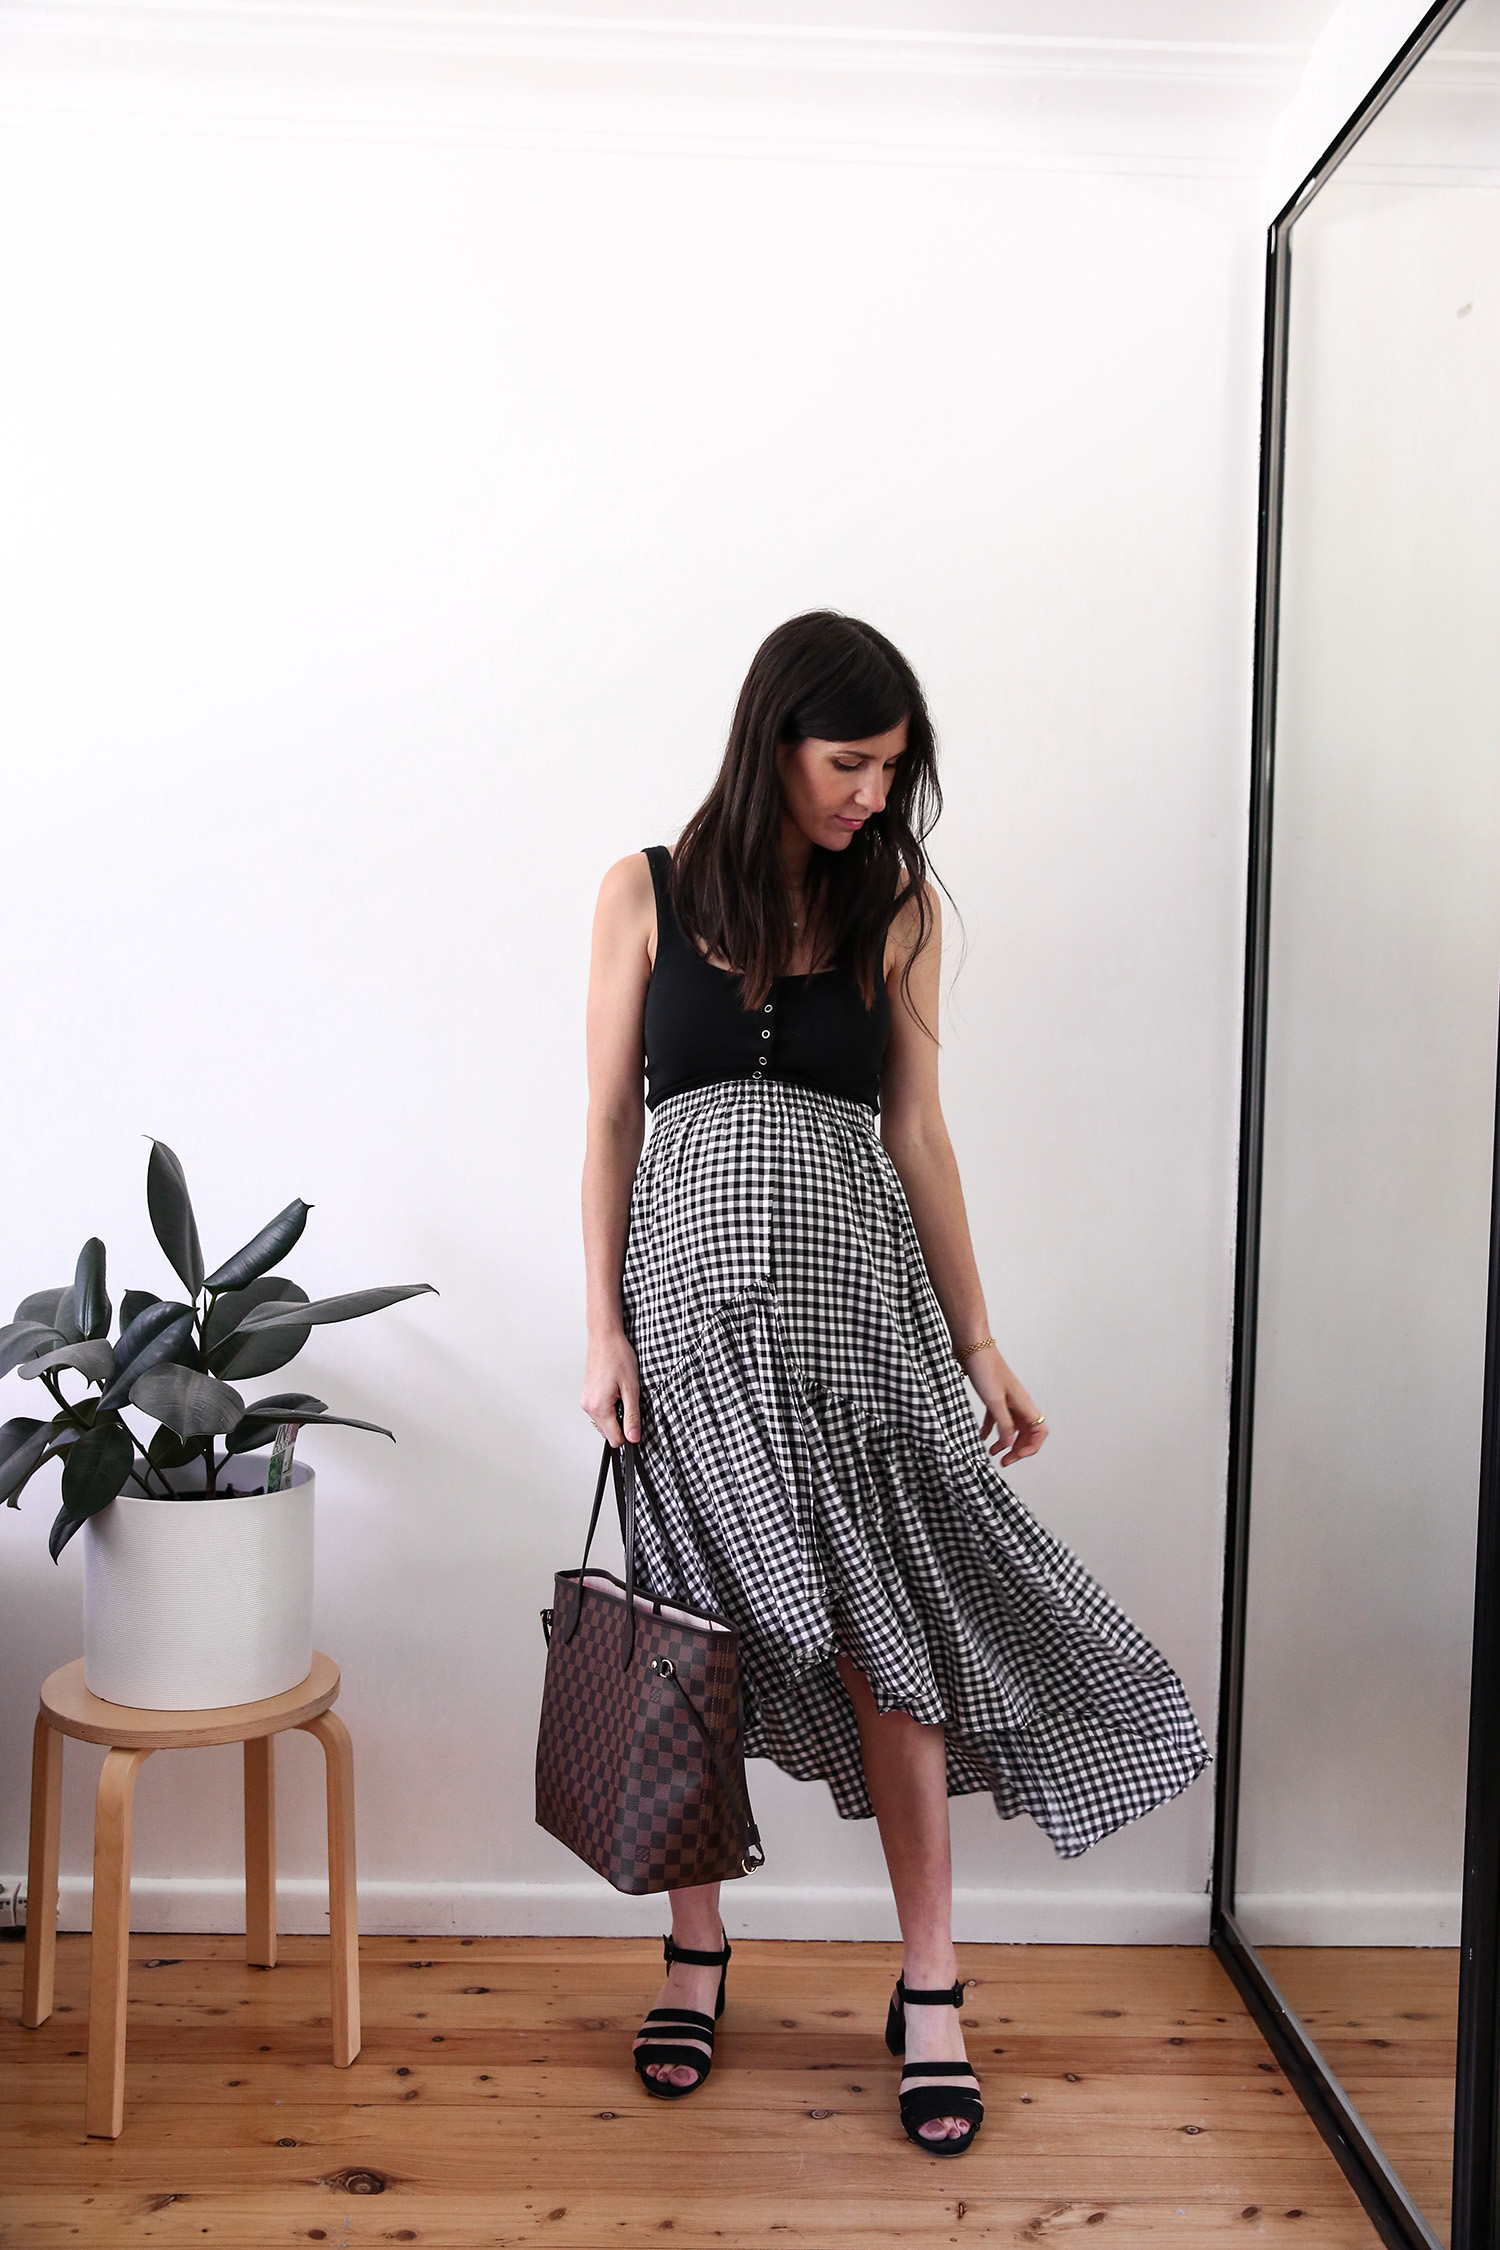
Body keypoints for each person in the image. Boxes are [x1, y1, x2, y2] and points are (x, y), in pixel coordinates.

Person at [580, 612, 1208, 2155]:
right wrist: (602, 1328)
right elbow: (608, 1124)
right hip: (691, 1332)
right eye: (850, 762)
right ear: (774, 739)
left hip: (860, 1332)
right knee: (688, 1636)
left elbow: (917, 1132)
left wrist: (980, 1340)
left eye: (892, 768)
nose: (873, 793)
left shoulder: (900, 908)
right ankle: (696, 1948)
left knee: (894, 1646)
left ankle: (930, 1982)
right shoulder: (641, 891)